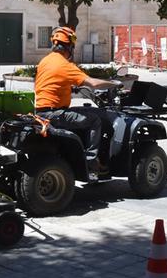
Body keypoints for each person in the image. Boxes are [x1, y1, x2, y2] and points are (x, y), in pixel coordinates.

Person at [34, 26, 119, 171]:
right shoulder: (65, 65)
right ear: (69, 46)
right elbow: (92, 83)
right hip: (55, 114)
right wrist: (115, 84)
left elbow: (52, 82)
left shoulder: (45, 61)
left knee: (87, 112)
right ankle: (91, 161)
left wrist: (69, 87)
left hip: (40, 111)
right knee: (94, 120)